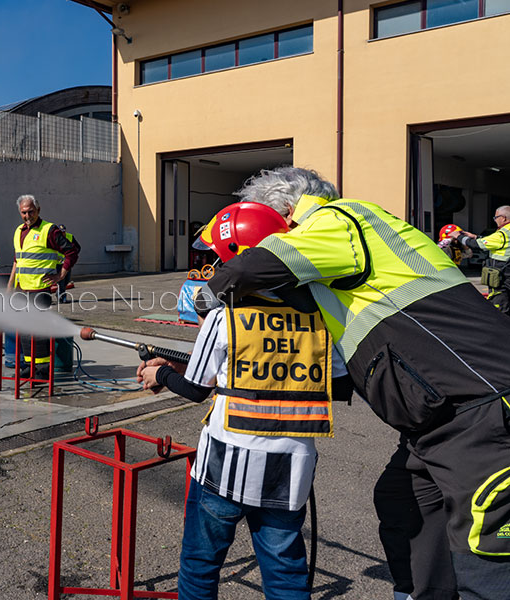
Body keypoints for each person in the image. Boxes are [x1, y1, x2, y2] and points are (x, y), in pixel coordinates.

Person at [195, 166, 508, 600]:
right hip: (436, 422)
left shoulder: (340, 218)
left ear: (285, 211)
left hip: (481, 407)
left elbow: (256, 266)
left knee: (488, 547)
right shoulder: (337, 261)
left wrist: (207, 296)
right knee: (404, 503)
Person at [139, 202, 352, 600]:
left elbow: (196, 389)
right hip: (290, 467)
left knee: (201, 565)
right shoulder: (320, 314)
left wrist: (160, 375)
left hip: (224, 463)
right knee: (286, 574)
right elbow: (338, 384)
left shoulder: (225, 315)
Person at [5, 194, 79, 376]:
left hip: (39, 288)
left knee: (37, 328)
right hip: (22, 288)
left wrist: (61, 275)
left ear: (38, 210)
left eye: (31, 211)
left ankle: (43, 367)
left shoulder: (49, 230)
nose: (27, 216)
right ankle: (30, 365)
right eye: (23, 212)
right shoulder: (19, 231)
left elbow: (72, 251)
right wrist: (10, 285)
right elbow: (17, 260)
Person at [449, 205, 510, 313]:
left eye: (496, 217)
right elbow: (493, 242)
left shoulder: (504, 234)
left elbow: (476, 245)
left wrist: (458, 236)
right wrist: (476, 236)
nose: (495, 220)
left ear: (504, 218)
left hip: (502, 279)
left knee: (500, 307)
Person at [54, 224, 81, 303]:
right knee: (61, 281)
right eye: (61, 232)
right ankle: (62, 296)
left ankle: (59, 293)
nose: (62, 233)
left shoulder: (70, 237)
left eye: (63, 232)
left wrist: (72, 256)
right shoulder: (55, 238)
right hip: (58, 263)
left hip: (67, 263)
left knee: (67, 280)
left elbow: (78, 247)